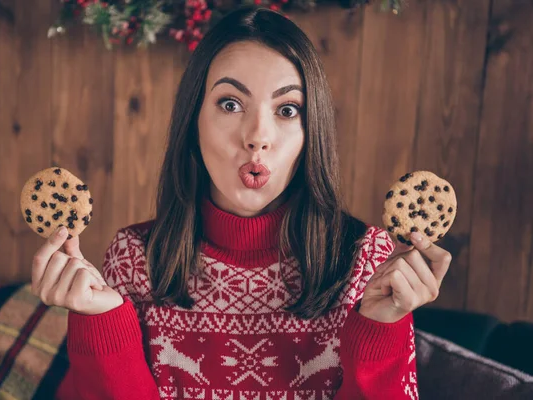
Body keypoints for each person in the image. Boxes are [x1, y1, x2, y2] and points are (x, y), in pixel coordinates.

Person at [31, 6, 451, 400]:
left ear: (311, 133)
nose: (257, 136)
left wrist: (381, 328)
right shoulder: (134, 260)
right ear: (193, 119)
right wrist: (101, 321)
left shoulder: (367, 260)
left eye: (287, 109)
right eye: (230, 104)